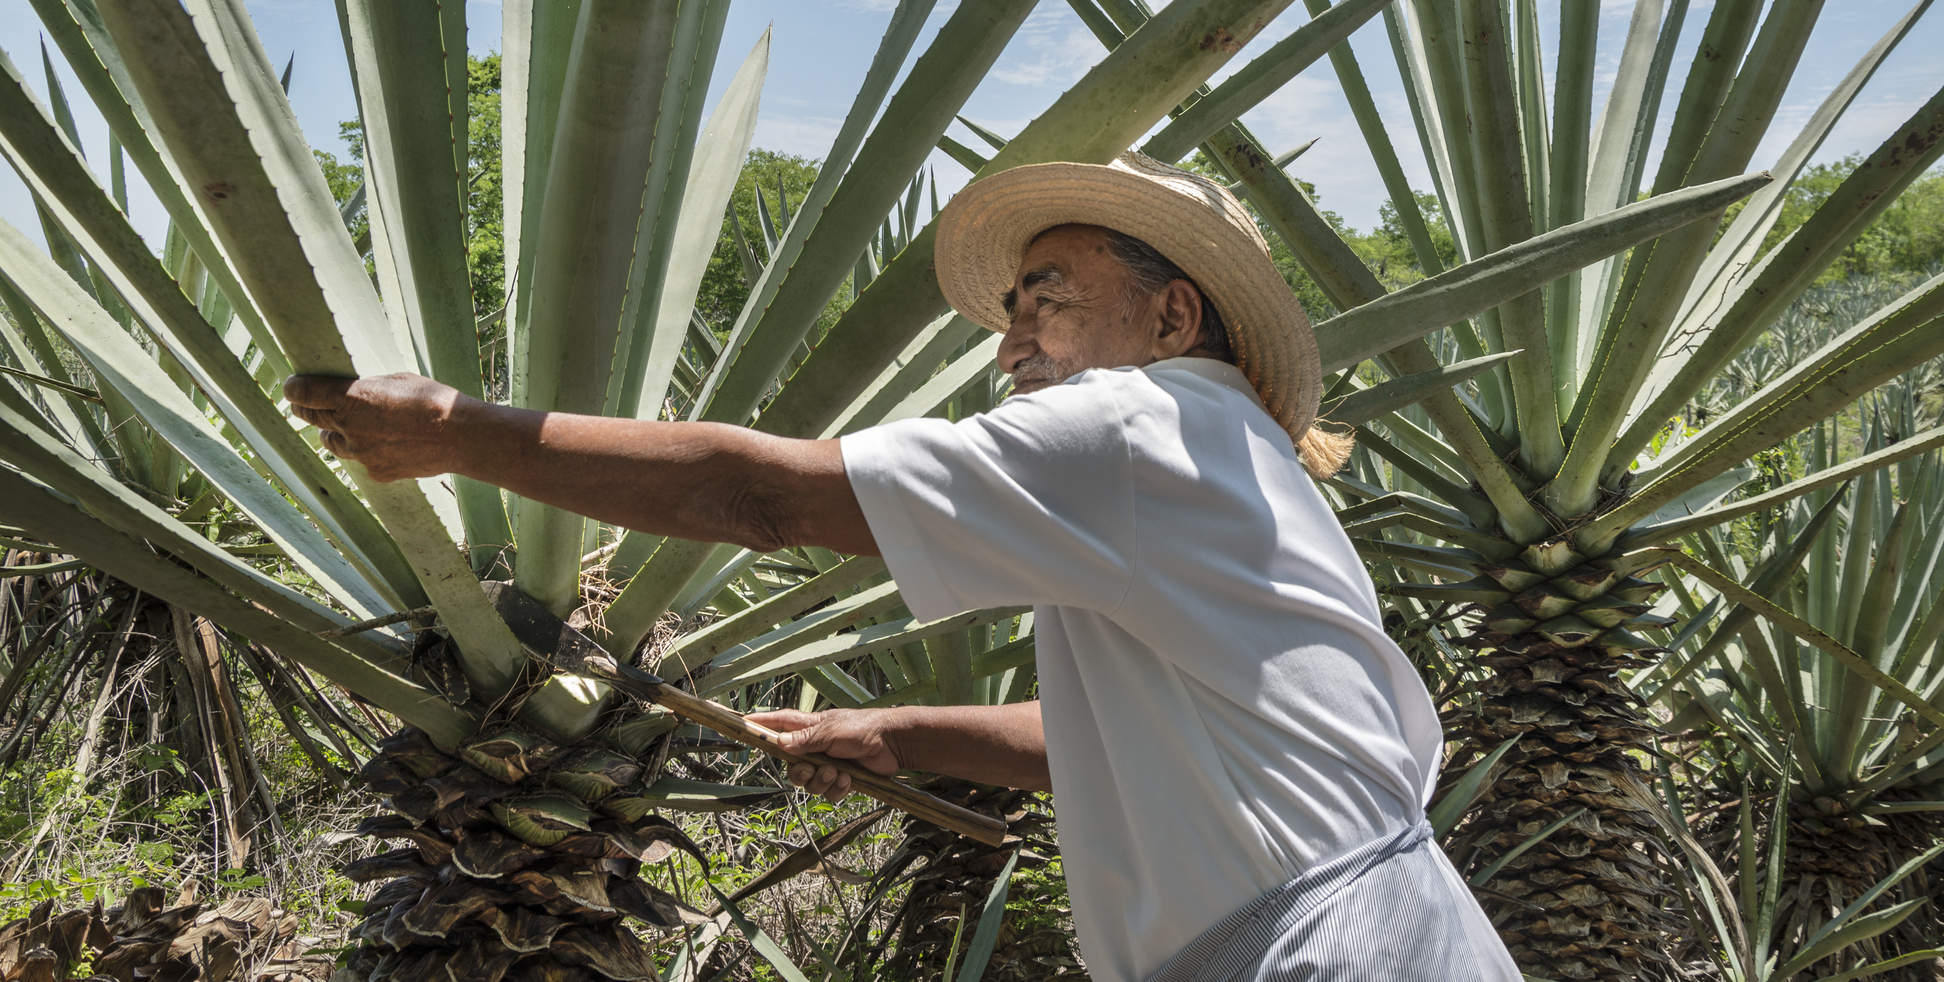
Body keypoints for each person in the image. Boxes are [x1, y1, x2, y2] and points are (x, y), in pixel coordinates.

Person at [286, 152, 1518, 982]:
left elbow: (761, 493)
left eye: (1046, 299)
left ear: (1172, 317)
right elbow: (1108, 728)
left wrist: (452, 435)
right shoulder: (1217, 458)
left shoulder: (1136, 426)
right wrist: (898, 729)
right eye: (1011, 315)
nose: (1013, 341)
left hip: (1328, 946)